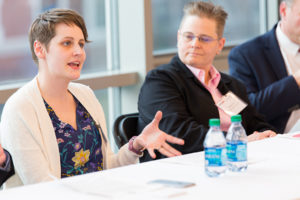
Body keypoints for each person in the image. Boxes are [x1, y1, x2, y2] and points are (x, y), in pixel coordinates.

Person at [0, 8, 184, 188]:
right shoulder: (19, 108)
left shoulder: (85, 95)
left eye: (81, 44)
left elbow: (107, 168)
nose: (79, 51)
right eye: (67, 43)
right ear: (40, 49)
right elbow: (42, 187)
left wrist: (136, 145)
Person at [137, 1, 276, 162]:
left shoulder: (232, 86)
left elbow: (256, 124)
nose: (195, 44)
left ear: (220, 45)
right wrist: (239, 142)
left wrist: (267, 135)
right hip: (185, 169)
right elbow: (180, 134)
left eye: (204, 39)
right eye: (188, 36)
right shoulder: (160, 81)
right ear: (178, 38)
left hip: (238, 164)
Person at [228, 0, 300, 133]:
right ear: (283, 11)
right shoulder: (244, 55)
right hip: (277, 142)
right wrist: (295, 81)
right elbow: (247, 111)